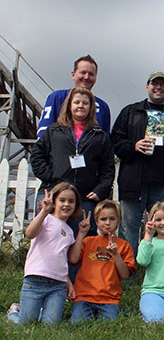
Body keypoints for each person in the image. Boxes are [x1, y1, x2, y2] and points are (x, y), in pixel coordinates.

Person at [110, 71, 164, 256]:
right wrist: (134, 145)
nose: (158, 87)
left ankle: (156, 274)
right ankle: (128, 275)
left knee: (162, 230)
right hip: (134, 182)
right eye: (154, 83)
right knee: (129, 229)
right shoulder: (130, 112)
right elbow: (114, 142)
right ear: (147, 86)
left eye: (163, 84)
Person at [30, 87, 115, 236]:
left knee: (81, 244)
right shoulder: (54, 130)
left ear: (91, 108)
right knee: (47, 239)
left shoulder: (100, 136)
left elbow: (107, 168)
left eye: (85, 103)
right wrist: (51, 177)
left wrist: (100, 190)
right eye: (76, 102)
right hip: (54, 196)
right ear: (69, 105)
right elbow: (37, 156)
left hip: (85, 198)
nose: (81, 106)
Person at [6, 184, 80, 324]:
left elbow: (61, 259)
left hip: (58, 286)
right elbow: (30, 234)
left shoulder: (69, 232)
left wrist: (69, 283)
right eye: (62, 200)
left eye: (71, 201)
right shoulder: (45, 219)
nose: (66, 204)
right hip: (35, 281)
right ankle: (13, 313)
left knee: (50, 325)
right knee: (26, 323)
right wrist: (44, 212)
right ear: (54, 202)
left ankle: (40, 312)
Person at [68, 200, 136, 322]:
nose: (108, 223)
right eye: (103, 219)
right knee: (77, 323)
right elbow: (73, 259)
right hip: (84, 296)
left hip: (109, 299)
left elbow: (125, 275)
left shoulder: (124, 245)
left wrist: (116, 254)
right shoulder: (88, 241)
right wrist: (81, 234)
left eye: (112, 219)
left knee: (109, 325)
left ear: (119, 220)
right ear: (97, 221)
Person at [37, 55, 111, 136]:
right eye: (83, 72)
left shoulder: (103, 107)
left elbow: (106, 139)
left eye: (91, 74)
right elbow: (43, 131)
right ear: (73, 75)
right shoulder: (57, 97)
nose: (86, 77)